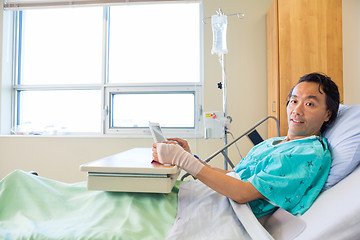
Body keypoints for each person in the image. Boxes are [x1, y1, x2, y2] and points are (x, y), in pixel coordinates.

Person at [152, 72, 340, 218]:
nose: (296, 110)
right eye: (294, 101)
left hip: (230, 216)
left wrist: (181, 159)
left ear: (327, 114)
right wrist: (191, 158)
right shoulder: (274, 143)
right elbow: (235, 177)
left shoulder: (308, 153)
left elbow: (242, 193)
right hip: (214, 200)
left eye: (309, 104)